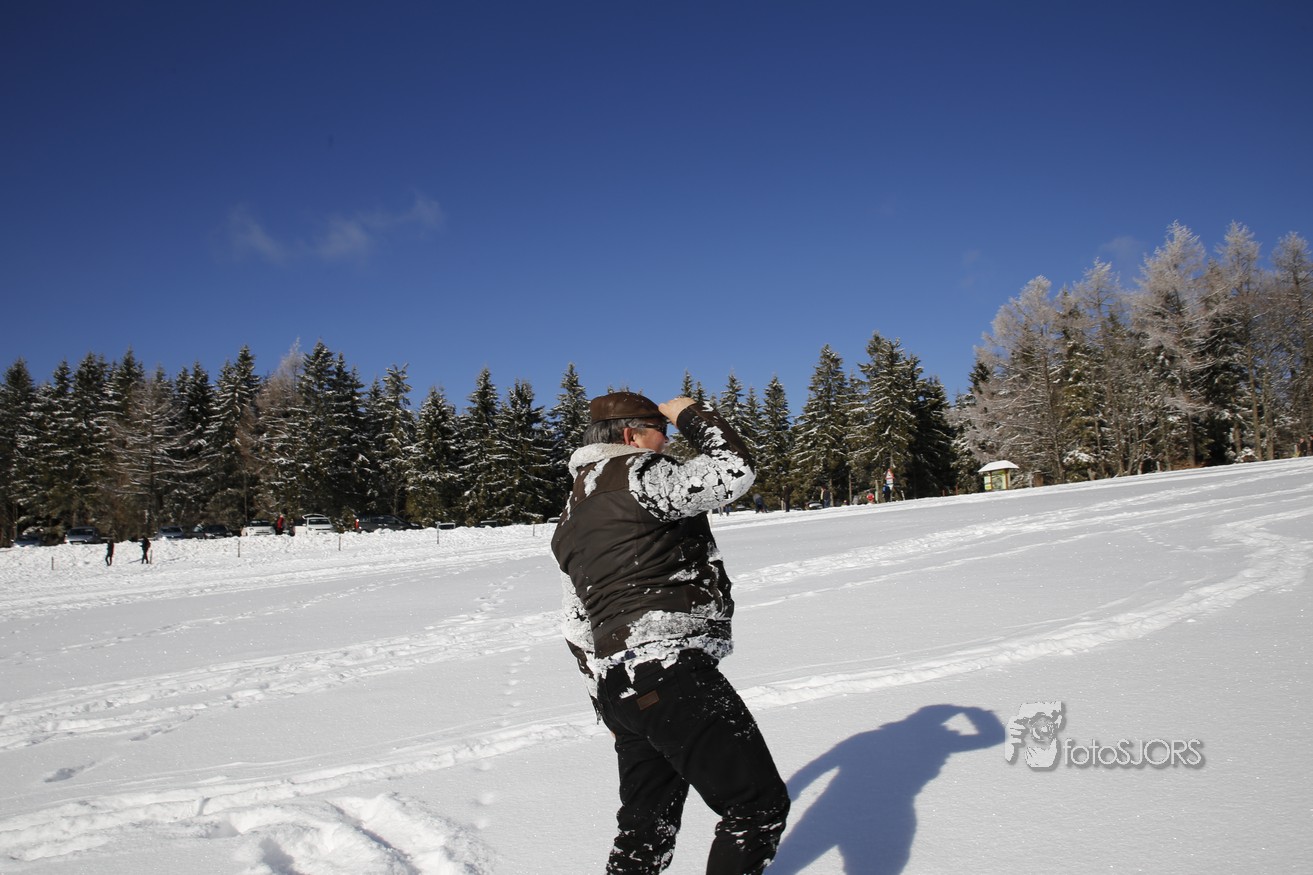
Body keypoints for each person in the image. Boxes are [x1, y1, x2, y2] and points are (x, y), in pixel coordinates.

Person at [551, 391, 790, 875]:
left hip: (620, 686)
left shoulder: (571, 515)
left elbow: (576, 622)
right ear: (630, 434)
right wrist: (691, 415)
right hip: (669, 668)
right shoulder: (637, 473)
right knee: (756, 807)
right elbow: (733, 471)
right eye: (661, 431)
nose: (667, 441)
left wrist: (609, 704)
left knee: (644, 833)